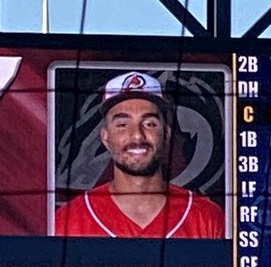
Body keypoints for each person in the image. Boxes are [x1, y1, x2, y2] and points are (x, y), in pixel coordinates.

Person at [55, 71, 225, 238]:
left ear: (166, 134)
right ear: (105, 138)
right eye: (122, 124)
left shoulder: (206, 217)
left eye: (150, 123)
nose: (137, 135)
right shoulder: (68, 221)